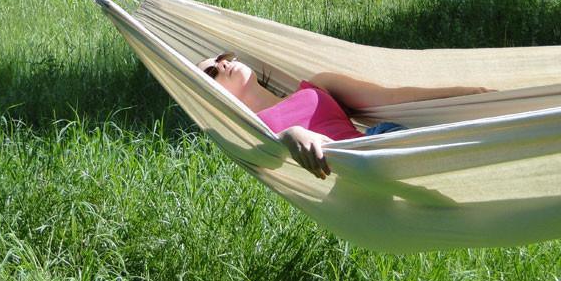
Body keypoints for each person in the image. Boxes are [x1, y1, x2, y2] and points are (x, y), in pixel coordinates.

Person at [198, 52, 492, 180]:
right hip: (354, 176)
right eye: (211, 71)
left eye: (223, 58)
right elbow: (263, 159)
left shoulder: (316, 85)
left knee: (474, 147)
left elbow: (394, 97)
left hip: (380, 142)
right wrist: (287, 137)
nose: (222, 65)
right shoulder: (248, 129)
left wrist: (466, 93)